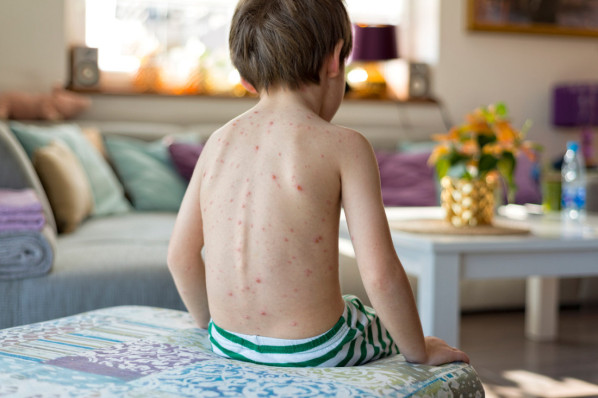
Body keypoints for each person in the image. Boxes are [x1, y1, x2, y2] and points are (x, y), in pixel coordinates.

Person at [168, 0, 470, 367]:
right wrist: (418, 352)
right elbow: (380, 273)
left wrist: (210, 327)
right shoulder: (346, 146)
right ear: (336, 58)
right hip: (317, 348)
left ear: (247, 78)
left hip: (227, 342)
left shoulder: (217, 142)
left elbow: (180, 257)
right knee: (366, 315)